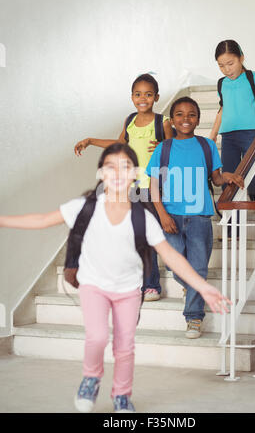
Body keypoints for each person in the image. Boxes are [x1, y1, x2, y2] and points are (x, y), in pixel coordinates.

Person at [0, 142, 231, 413]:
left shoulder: (144, 218)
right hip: (94, 286)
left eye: (125, 167)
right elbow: (40, 219)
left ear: (135, 173)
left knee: (124, 346)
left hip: (129, 290)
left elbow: (171, 256)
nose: (118, 173)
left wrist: (203, 287)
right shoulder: (84, 207)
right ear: (100, 173)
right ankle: (91, 378)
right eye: (110, 167)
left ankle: (122, 396)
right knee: (97, 337)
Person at [145, 97, 243, 339]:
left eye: (191, 115)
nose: (185, 119)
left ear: (198, 119)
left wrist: (228, 175)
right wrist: (162, 215)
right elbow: (153, 187)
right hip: (171, 217)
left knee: (198, 267)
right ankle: (194, 288)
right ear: (173, 120)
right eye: (179, 114)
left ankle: (194, 318)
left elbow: (216, 179)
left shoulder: (207, 145)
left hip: (200, 216)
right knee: (174, 264)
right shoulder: (163, 149)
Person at [74, 74, 174, 302]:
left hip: (155, 187)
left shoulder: (163, 122)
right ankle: (141, 284)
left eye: (148, 94)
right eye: (138, 94)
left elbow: (175, 147)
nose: (143, 98)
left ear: (156, 97)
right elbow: (119, 144)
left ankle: (154, 285)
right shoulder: (130, 120)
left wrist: (164, 145)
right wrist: (90, 140)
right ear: (132, 97)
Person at [210, 40, 255, 203]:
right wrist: (213, 134)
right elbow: (223, 109)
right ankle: (230, 213)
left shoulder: (254, 77)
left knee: (252, 173)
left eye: (230, 63)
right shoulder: (221, 83)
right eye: (221, 65)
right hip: (228, 137)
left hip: (251, 134)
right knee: (228, 176)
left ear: (241, 58)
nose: (226, 69)